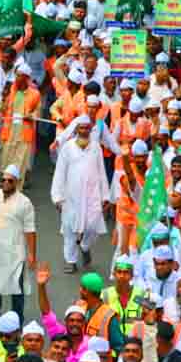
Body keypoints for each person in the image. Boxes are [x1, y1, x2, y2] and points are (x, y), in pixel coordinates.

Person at [0, 164, 37, 325]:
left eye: (9, 181)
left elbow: (30, 230)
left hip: (15, 255)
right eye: (3, 180)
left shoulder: (25, 203)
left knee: (17, 289)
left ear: (16, 182)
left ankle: (17, 321)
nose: (5, 183)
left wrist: (31, 254)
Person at [51, 116, 111, 273]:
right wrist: (57, 197)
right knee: (69, 228)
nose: (84, 131)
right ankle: (70, 260)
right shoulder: (67, 147)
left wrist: (106, 196)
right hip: (70, 196)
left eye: (87, 128)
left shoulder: (96, 147)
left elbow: (101, 172)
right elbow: (60, 173)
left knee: (93, 226)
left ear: (91, 130)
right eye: (81, 128)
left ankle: (85, 247)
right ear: (76, 129)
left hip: (92, 196)